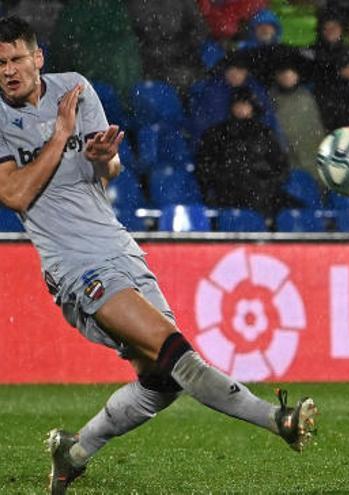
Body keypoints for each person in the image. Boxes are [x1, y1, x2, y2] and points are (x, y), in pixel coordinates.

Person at [0, 17, 317, 495]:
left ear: (37, 56)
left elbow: (109, 167)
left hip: (118, 247)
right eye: (0, 63)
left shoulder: (76, 89)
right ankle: (279, 420)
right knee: (178, 353)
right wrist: (60, 133)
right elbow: (17, 194)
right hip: (74, 267)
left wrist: (101, 156)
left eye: (16, 58)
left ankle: (75, 451)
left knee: (161, 382)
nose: (8, 70)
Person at [196, 88, 289, 216]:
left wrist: (265, 186)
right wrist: (224, 183)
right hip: (227, 197)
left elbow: (280, 166)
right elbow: (205, 165)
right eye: (238, 104)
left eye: (245, 104)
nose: (241, 108)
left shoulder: (265, 134)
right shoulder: (217, 133)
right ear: (231, 106)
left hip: (261, 197)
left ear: (252, 107)